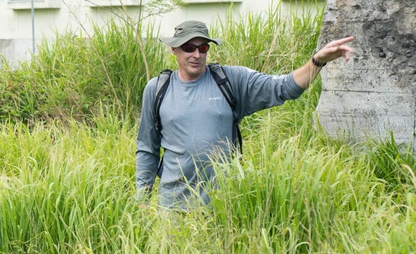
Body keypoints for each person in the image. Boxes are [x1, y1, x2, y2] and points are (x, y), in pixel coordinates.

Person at [135, 20, 355, 208]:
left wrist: (318, 61)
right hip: (173, 207)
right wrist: (141, 201)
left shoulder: (231, 80)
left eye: (203, 48)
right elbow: (147, 148)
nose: (196, 54)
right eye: (189, 47)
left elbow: (283, 87)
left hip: (224, 206)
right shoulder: (157, 89)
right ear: (174, 49)